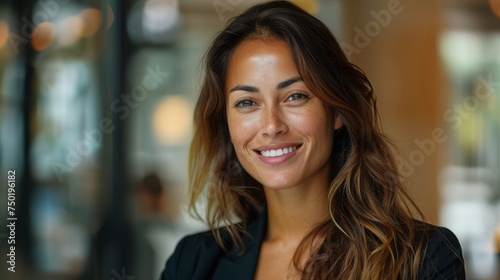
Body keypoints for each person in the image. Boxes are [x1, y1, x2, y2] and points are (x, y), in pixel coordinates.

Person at [160, 1, 466, 279]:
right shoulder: (193, 262)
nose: (271, 125)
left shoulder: (424, 258)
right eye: (247, 103)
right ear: (226, 122)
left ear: (337, 112)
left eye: (295, 96)